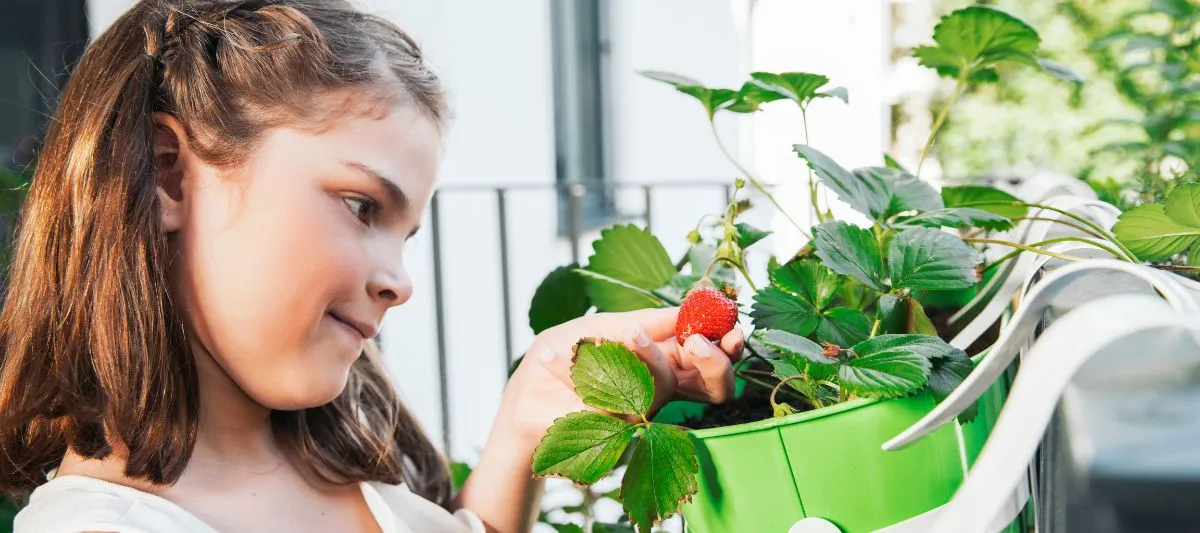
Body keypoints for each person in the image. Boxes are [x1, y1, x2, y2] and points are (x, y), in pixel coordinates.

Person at [0, 1, 744, 532]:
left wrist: (524, 420)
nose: (400, 281)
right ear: (168, 174)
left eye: (407, 233)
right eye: (361, 207)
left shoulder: (338, 464)